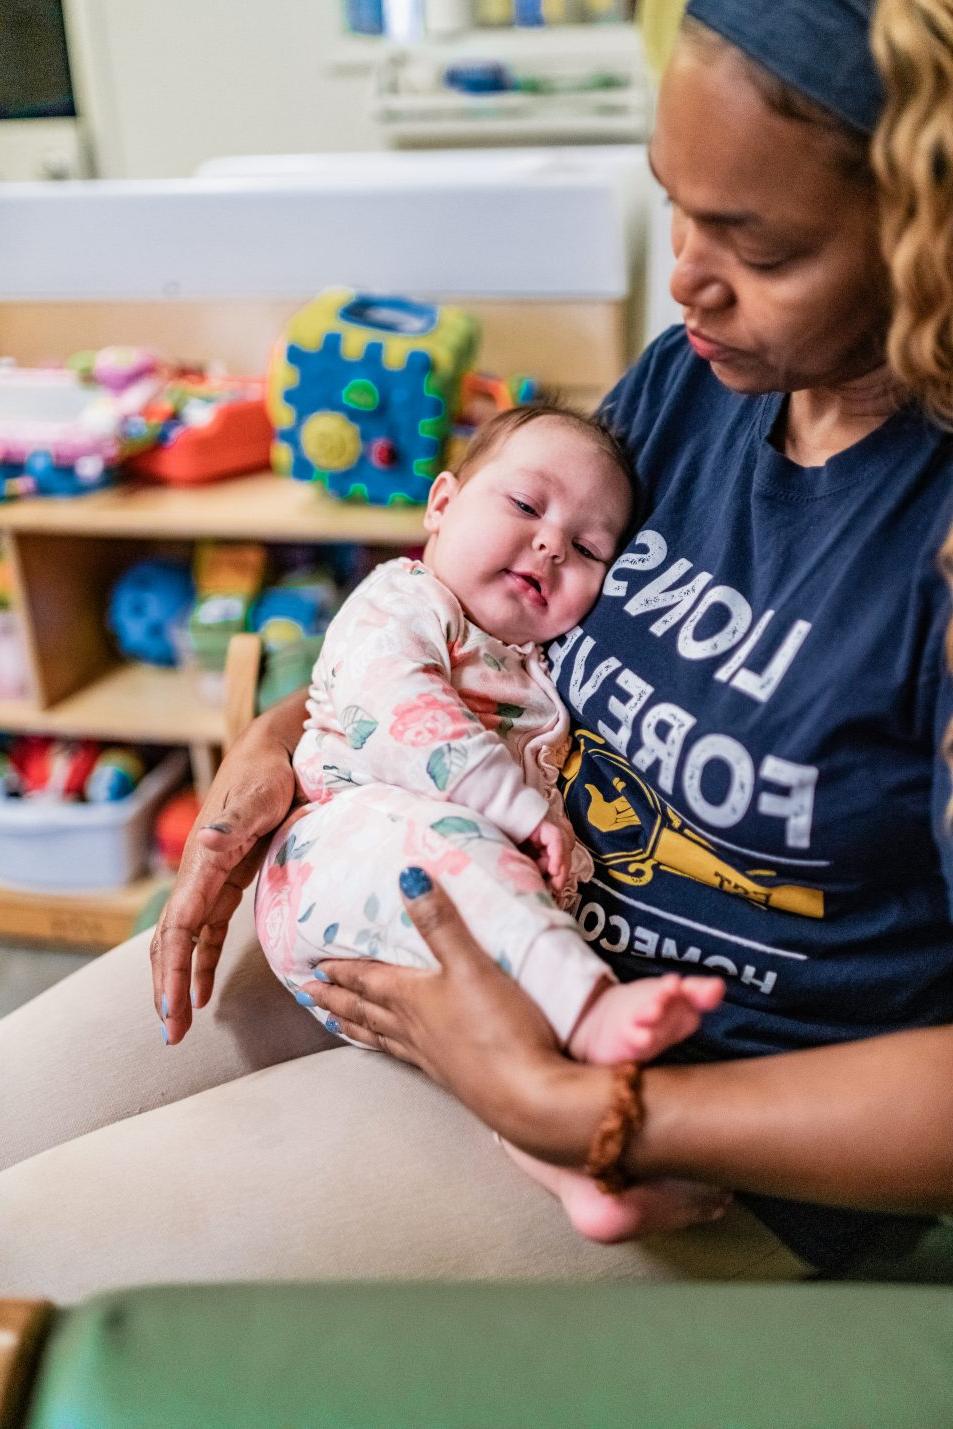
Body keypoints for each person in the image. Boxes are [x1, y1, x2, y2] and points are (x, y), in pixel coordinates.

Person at [2, 0, 952, 1301]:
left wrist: (601, 1117)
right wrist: (292, 740)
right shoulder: (696, 382)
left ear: (930, 240)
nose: (684, 276)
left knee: (29, 1256)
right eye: (677, 204)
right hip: (446, 897)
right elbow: (483, 613)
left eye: (759, 245)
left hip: (693, 1102)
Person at [255, 404, 725, 1239]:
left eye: (587, 550)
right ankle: (595, 1012)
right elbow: (400, 710)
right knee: (459, 849)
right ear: (441, 504)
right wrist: (518, 810)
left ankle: (569, 1172)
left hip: (434, 899)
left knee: (507, 1028)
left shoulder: (536, 668)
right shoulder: (402, 602)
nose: (551, 545)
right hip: (334, 855)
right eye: (523, 507)